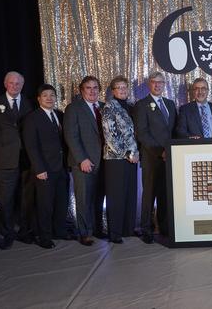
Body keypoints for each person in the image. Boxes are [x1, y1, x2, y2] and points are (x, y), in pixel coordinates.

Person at [0, 71, 34, 250]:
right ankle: (7, 233)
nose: (15, 86)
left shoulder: (28, 103)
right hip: (4, 160)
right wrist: (3, 147)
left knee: (26, 198)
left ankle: (25, 231)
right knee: (5, 199)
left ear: (22, 85)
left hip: (26, 159)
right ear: (6, 84)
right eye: (12, 83)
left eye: (18, 83)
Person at [22, 84, 70, 249]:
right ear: (39, 99)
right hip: (45, 169)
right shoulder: (32, 118)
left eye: (52, 95)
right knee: (45, 205)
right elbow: (31, 146)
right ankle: (44, 236)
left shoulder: (60, 115)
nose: (49, 98)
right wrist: (39, 168)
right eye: (45, 95)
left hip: (62, 167)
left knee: (61, 202)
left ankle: (60, 231)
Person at [134, 71, 177, 244]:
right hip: (152, 157)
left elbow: (174, 130)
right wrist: (160, 151)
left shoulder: (170, 104)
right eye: (154, 82)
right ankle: (146, 229)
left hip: (170, 157)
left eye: (161, 82)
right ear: (149, 84)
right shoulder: (142, 105)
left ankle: (164, 228)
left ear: (164, 84)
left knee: (166, 193)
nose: (158, 85)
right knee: (149, 194)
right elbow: (142, 133)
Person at [64, 76, 105, 246]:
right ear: (82, 90)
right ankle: (84, 233)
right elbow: (71, 136)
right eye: (88, 87)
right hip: (83, 162)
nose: (92, 91)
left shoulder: (104, 107)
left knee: (98, 198)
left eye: (95, 87)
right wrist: (82, 159)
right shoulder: (73, 108)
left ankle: (96, 228)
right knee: (84, 198)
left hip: (103, 161)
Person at [101, 76, 139, 244]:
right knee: (116, 195)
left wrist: (135, 153)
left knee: (129, 193)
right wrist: (127, 154)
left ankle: (127, 229)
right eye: (119, 87)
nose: (122, 90)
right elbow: (110, 136)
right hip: (115, 158)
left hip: (132, 157)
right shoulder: (109, 106)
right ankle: (115, 233)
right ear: (113, 91)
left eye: (125, 87)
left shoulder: (130, 107)